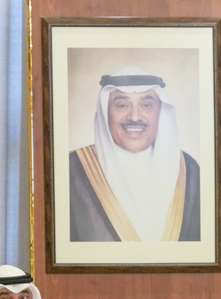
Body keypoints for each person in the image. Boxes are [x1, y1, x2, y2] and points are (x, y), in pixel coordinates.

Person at [69, 65, 200, 242]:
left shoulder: (189, 170)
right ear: (106, 112)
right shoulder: (72, 169)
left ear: (160, 112)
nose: (135, 117)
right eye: (122, 105)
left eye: (146, 105)